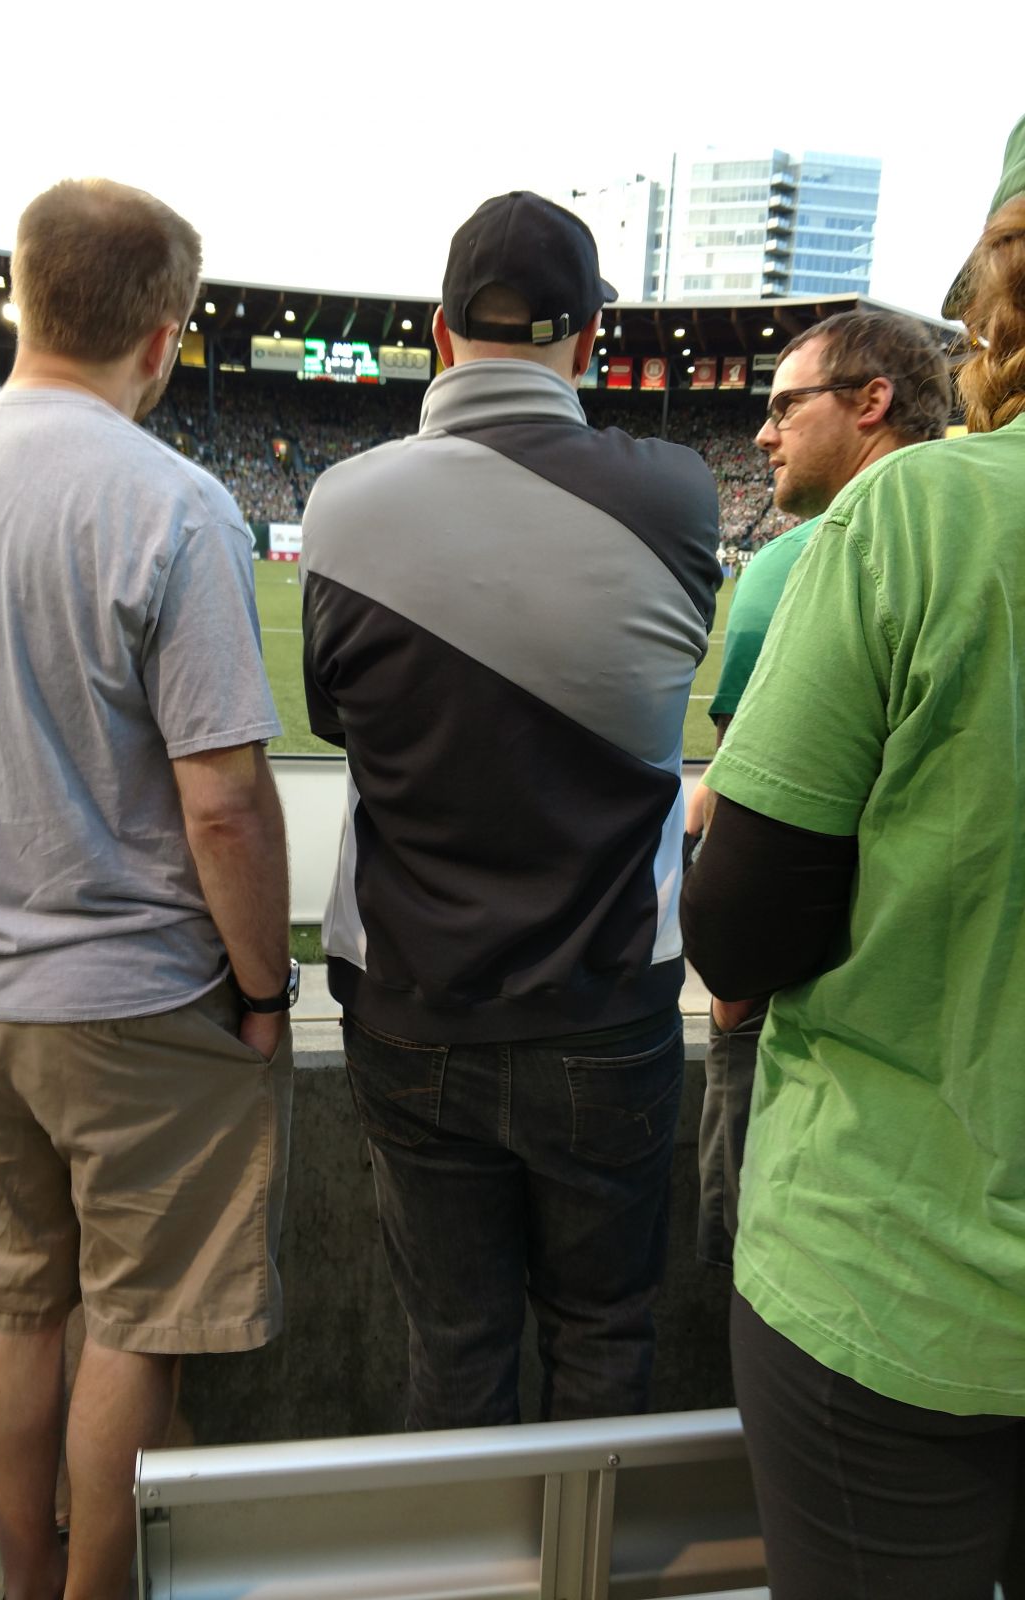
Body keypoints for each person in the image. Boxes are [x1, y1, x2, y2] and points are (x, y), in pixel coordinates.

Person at [0, 178, 297, 1600]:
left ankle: (19, 1579)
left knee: (18, 1304)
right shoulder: (170, 501)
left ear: (21, 297)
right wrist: (265, 989)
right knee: (134, 1325)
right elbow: (225, 801)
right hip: (131, 998)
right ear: (164, 338)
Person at [301, 191, 720, 1430]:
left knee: (456, 1343)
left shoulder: (345, 501)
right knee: (604, 1333)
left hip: (413, 1005)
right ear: (591, 339)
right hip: (609, 1008)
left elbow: (338, 722)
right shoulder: (681, 495)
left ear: (439, 333)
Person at [681, 115, 1025, 1598]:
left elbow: (741, 921)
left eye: (784, 403)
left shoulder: (917, 516)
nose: (761, 431)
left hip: (907, 1278)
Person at [688, 309, 951, 1268]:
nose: (762, 433)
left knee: (749, 1272)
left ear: (872, 402)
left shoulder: (803, 564)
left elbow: (742, 828)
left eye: (785, 406)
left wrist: (729, 1024)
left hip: (821, 1053)